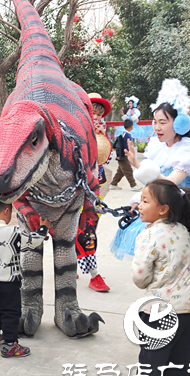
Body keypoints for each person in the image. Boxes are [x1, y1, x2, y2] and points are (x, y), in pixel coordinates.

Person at [110, 78, 190, 266]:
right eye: (155, 122)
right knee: (159, 269)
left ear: (180, 124)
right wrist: (139, 195)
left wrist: (141, 167)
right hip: (162, 215)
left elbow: (169, 184)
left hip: (184, 217)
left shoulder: (189, 150)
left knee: (187, 269)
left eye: (162, 122)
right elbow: (154, 186)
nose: (157, 127)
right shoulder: (158, 148)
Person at [131, 179, 190, 376]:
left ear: (163, 209)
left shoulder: (148, 236)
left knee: (151, 372)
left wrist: (147, 281)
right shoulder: (185, 232)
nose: (139, 204)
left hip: (159, 313)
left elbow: (140, 277)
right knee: (181, 371)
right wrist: (188, 219)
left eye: (145, 201)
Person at [0, 192, 49, 358]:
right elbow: (34, 240)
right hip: (9, 281)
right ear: (7, 211)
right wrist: (43, 227)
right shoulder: (13, 232)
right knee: (11, 311)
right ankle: (11, 344)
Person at [78, 93, 111, 292]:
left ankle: (89, 271)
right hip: (75, 190)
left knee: (89, 230)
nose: (96, 118)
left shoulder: (100, 134)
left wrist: (100, 137)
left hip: (93, 190)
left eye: (99, 114)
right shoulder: (74, 131)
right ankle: (90, 272)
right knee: (80, 231)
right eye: (93, 113)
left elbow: (104, 159)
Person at [110, 119, 141, 191]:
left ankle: (113, 184)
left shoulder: (125, 134)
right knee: (128, 170)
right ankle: (133, 185)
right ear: (132, 126)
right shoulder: (125, 135)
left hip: (124, 154)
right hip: (123, 155)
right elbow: (119, 146)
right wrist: (119, 155)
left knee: (120, 171)